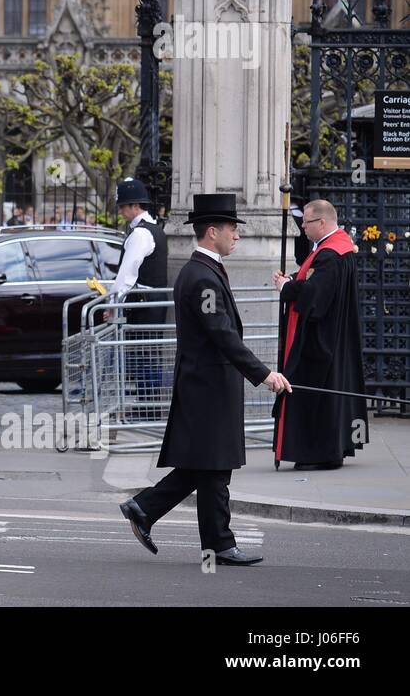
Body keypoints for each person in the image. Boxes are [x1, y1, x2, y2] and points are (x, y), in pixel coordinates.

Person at [119, 193, 291, 566]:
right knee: (212, 466)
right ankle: (208, 539)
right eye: (233, 229)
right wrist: (264, 374)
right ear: (212, 232)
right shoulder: (201, 277)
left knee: (210, 467)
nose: (238, 236)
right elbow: (222, 334)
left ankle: (161, 516)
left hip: (209, 386)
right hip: (208, 388)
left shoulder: (203, 272)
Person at [270, 199, 365, 471]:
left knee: (315, 395)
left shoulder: (330, 254)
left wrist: (286, 288)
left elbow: (315, 297)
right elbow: (313, 282)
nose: (302, 226)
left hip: (321, 339)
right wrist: (293, 279)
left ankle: (319, 453)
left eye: (306, 222)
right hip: (334, 335)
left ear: (321, 223)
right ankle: (328, 451)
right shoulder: (336, 249)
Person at [105, 178, 168, 419]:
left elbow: (126, 274)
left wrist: (113, 304)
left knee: (142, 358)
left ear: (133, 206)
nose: (121, 211)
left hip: (142, 305)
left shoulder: (140, 234)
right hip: (149, 304)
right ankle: (146, 407)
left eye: (122, 206)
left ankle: (147, 409)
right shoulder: (152, 230)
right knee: (146, 356)